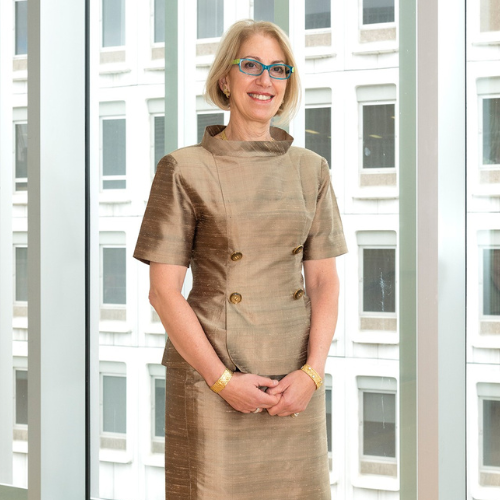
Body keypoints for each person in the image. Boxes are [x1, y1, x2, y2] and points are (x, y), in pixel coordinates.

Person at [134, 19, 347, 500]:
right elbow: (162, 291)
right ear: (225, 78)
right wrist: (223, 381)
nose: (264, 80)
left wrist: (312, 374)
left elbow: (323, 283)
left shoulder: (311, 168)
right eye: (250, 65)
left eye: (278, 69)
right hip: (212, 370)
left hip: (293, 377)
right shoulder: (183, 168)